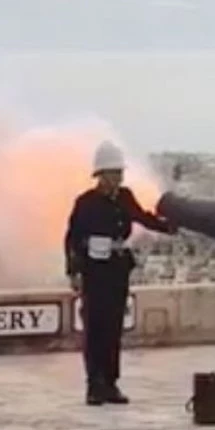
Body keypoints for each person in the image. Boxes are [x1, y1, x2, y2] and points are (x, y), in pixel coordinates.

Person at [64, 141, 176, 406]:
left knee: (114, 328)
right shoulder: (86, 203)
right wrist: (74, 271)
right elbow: (72, 238)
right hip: (94, 271)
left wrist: (169, 226)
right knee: (95, 328)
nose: (117, 178)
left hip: (117, 269)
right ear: (100, 175)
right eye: (113, 173)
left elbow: (142, 217)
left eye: (119, 173)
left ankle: (111, 382)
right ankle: (95, 384)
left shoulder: (125, 197)